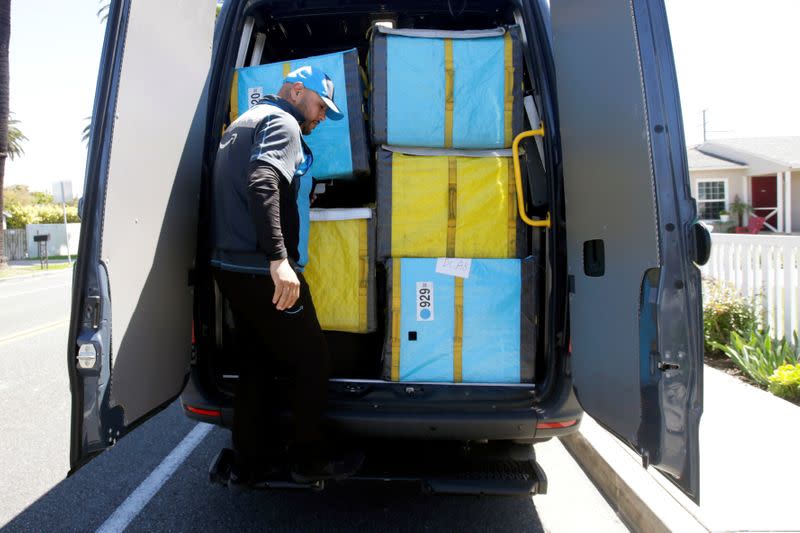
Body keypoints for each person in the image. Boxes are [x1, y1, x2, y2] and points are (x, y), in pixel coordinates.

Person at [210, 66, 363, 484]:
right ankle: (309, 460)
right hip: (263, 272)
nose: (318, 117)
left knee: (257, 361)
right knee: (311, 359)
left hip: (231, 268)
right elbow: (263, 180)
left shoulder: (244, 122)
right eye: (318, 106)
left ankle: (250, 461)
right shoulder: (282, 122)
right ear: (297, 91)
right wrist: (279, 260)